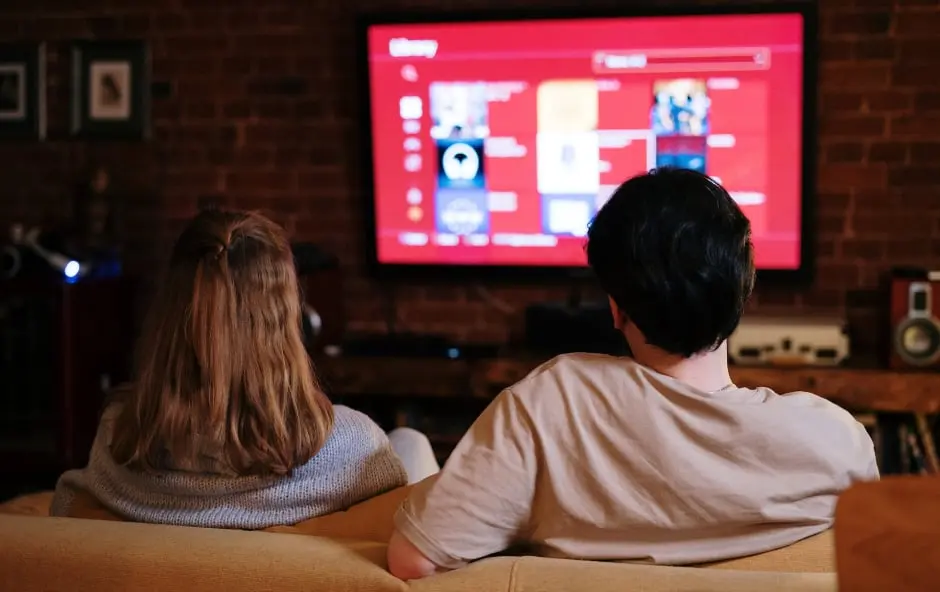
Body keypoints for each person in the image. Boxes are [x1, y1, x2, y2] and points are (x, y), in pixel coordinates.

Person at [387, 168, 879, 579]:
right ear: (744, 290)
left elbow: (414, 561)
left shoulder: (554, 404)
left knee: (406, 443)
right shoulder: (839, 444)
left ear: (616, 308)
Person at [51, 209, 439, 528]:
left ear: (168, 318)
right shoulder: (353, 446)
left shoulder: (116, 436)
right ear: (287, 320)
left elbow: (69, 503)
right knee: (412, 441)